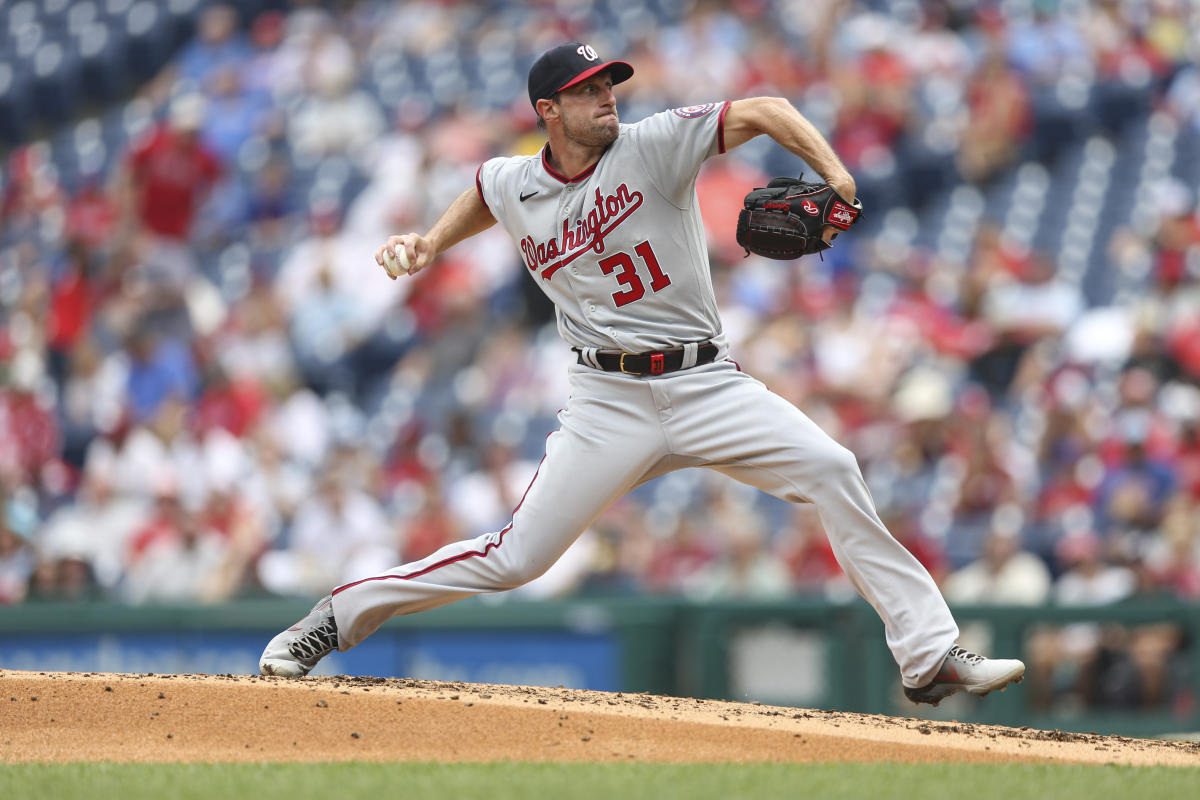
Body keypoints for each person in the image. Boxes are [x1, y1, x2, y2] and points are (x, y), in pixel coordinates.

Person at [259, 42, 1026, 705]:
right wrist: (430, 243)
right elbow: (488, 193)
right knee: (515, 558)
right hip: (607, 401)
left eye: (608, 86)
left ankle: (927, 655)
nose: (606, 100)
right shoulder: (515, 181)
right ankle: (333, 618)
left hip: (706, 383)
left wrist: (835, 173)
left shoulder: (653, 143)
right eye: (587, 92)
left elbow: (764, 108)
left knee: (832, 466)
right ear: (547, 112)